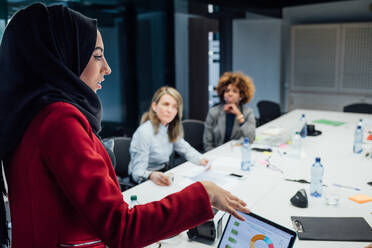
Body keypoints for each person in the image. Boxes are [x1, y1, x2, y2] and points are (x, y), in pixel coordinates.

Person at [0, 3, 249, 247]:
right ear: (62, 58)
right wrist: (202, 194)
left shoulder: (31, 116)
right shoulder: (60, 120)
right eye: (97, 56)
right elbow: (121, 229)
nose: (107, 68)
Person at [129, 86, 208, 185]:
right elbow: (137, 173)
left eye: (174, 106)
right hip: (145, 181)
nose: (170, 110)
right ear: (154, 106)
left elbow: (186, 150)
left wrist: (202, 160)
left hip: (163, 174)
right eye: (166, 104)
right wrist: (151, 175)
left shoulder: (169, 127)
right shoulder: (144, 133)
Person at [203, 72, 256, 152]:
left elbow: (251, 139)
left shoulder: (248, 113)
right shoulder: (213, 112)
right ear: (223, 94)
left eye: (234, 91)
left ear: (241, 96)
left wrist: (239, 116)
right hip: (216, 155)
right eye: (227, 91)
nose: (230, 94)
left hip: (237, 154)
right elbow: (207, 145)